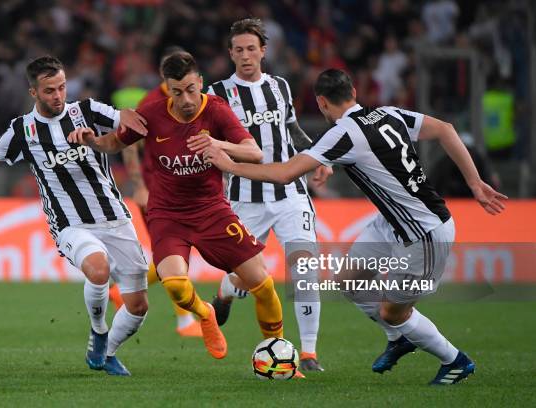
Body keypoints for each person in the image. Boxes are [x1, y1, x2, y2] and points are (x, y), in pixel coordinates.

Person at [203, 68, 507, 385]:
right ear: (354, 93)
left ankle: (456, 361)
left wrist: (230, 165)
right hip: (389, 224)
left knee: (394, 312)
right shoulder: (388, 113)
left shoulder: (343, 133)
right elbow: (445, 129)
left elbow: (284, 174)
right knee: (349, 280)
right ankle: (398, 338)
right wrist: (475, 183)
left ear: (321, 103)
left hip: (425, 232)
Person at [0, 55, 151, 377]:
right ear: (33, 92)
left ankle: (109, 352)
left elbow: (129, 126)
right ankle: (99, 330)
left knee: (138, 306)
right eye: (49, 90)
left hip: (114, 216)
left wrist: (100, 138)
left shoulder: (87, 110)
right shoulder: (23, 130)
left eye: (62, 87)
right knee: (98, 268)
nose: (58, 96)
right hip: (70, 223)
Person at [67, 51, 287, 364]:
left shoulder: (217, 111)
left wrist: (218, 144)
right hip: (168, 213)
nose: (185, 99)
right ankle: (204, 314)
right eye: (176, 91)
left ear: (200, 83)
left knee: (262, 285)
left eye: (190, 89)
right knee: (175, 284)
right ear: (166, 88)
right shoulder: (152, 112)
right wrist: (93, 140)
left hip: (212, 210)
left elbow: (254, 153)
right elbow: (116, 144)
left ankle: (277, 352)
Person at [207, 18, 330, 372]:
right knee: (247, 278)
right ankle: (226, 292)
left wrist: (317, 158)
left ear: (263, 50)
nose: (246, 56)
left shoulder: (280, 86)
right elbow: (208, 143)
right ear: (230, 54)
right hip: (244, 198)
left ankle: (308, 354)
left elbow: (290, 129)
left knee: (305, 269)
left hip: (290, 192)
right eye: (239, 50)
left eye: (252, 49)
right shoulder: (216, 95)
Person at [114, 45, 203, 338]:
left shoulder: (197, 101)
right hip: (156, 193)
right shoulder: (150, 104)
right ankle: (184, 321)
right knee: (171, 256)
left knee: (172, 255)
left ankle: (119, 292)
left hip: (185, 192)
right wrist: (138, 186)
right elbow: (128, 145)